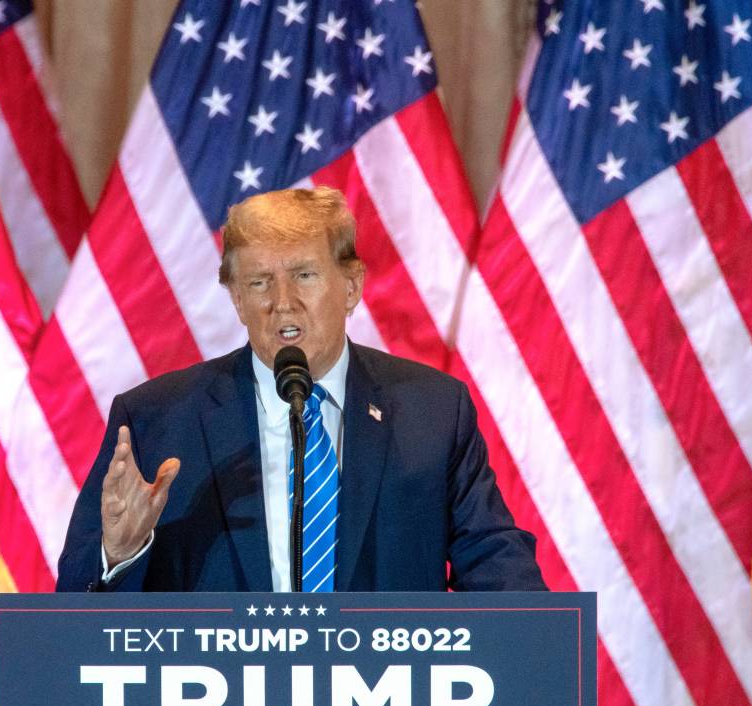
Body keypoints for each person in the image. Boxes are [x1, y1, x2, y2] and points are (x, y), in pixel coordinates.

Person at [56, 187, 546, 593]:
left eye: (304, 276)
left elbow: (497, 567)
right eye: (260, 282)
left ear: (351, 286)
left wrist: (536, 647)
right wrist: (117, 554)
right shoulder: (156, 421)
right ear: (237, 299)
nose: (282, 303)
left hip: (389, 701)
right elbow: (72, 607)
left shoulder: (432, 412)